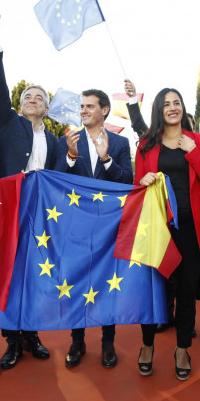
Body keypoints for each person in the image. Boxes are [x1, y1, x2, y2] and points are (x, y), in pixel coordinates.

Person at [0, 15, 56, 370]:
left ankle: (32, 334)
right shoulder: (9, 123)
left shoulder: (55, 140)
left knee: (35, 276)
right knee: (10, 277)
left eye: (39, 97)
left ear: (46, 107)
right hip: (9, 213)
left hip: (42, 218)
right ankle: (11, 341)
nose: (32, 99)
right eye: (27, 95)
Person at [133, 87, 200, 381]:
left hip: (191, 226)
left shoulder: (199, 141)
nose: (172, 108)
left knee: (188, 289)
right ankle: (146, 345)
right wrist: (142, 180)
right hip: (157, 226)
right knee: (153, 288)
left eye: (176, 103)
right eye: (166, 104)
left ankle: (182, 348)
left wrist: (192, 153)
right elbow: (137, 187)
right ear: (159, 110)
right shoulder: (146, 144)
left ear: (183, 107)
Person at [54, 89, 132, 369]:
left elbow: (127, 182)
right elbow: (56, 180)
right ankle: (77, 341)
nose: (84, 110)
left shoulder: (120, 143)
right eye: (82, 106)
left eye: (90, 106)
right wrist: (71, 156)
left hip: (109, 227)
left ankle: (107, 342)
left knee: (106, 284)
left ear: (105, 110)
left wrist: (107, 160)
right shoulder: (68, 141)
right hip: (75, 227)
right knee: (77, 283)